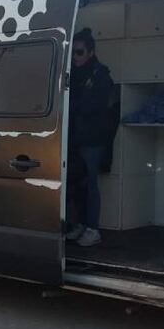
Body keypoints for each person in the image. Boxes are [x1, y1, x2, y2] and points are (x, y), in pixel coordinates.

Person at [66, 28, 114, 248]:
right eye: (73, 53)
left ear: (91, 52)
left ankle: (93, 229)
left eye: (79, 52)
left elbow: (95, 107)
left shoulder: (101, 75)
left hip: (92, 140)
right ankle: (80, 225)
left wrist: (74, 105)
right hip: (74, 138)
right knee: (75, 184)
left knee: (91, 185)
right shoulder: (73, 74)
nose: (75, 57)